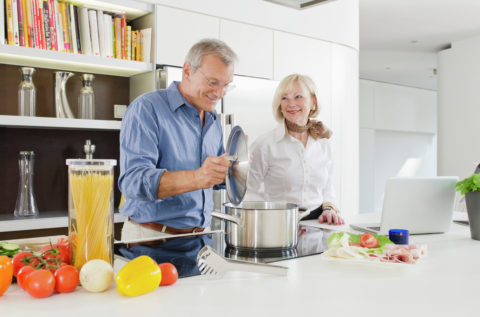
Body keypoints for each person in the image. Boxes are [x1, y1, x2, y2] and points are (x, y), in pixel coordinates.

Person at [118, 39, 238, 240]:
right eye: (212, 82)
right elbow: (133, 182)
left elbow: (213, 179)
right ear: (187, 71)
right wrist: (198, 177)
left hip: (201, 238)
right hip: (152, 240)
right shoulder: (147, 108)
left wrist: (234, 168)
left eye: (225, 85)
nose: (219, 94)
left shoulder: (212, 119)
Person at [245, 74, 345, 225]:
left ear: (313, 102)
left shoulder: (323, 142)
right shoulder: (265, 144)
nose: (291, 104)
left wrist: (329, 209)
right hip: (278, 227)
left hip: (318, 225)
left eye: (298, 96)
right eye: (284, 98)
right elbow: (247, 189)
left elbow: (327, 187)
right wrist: (267, 216)